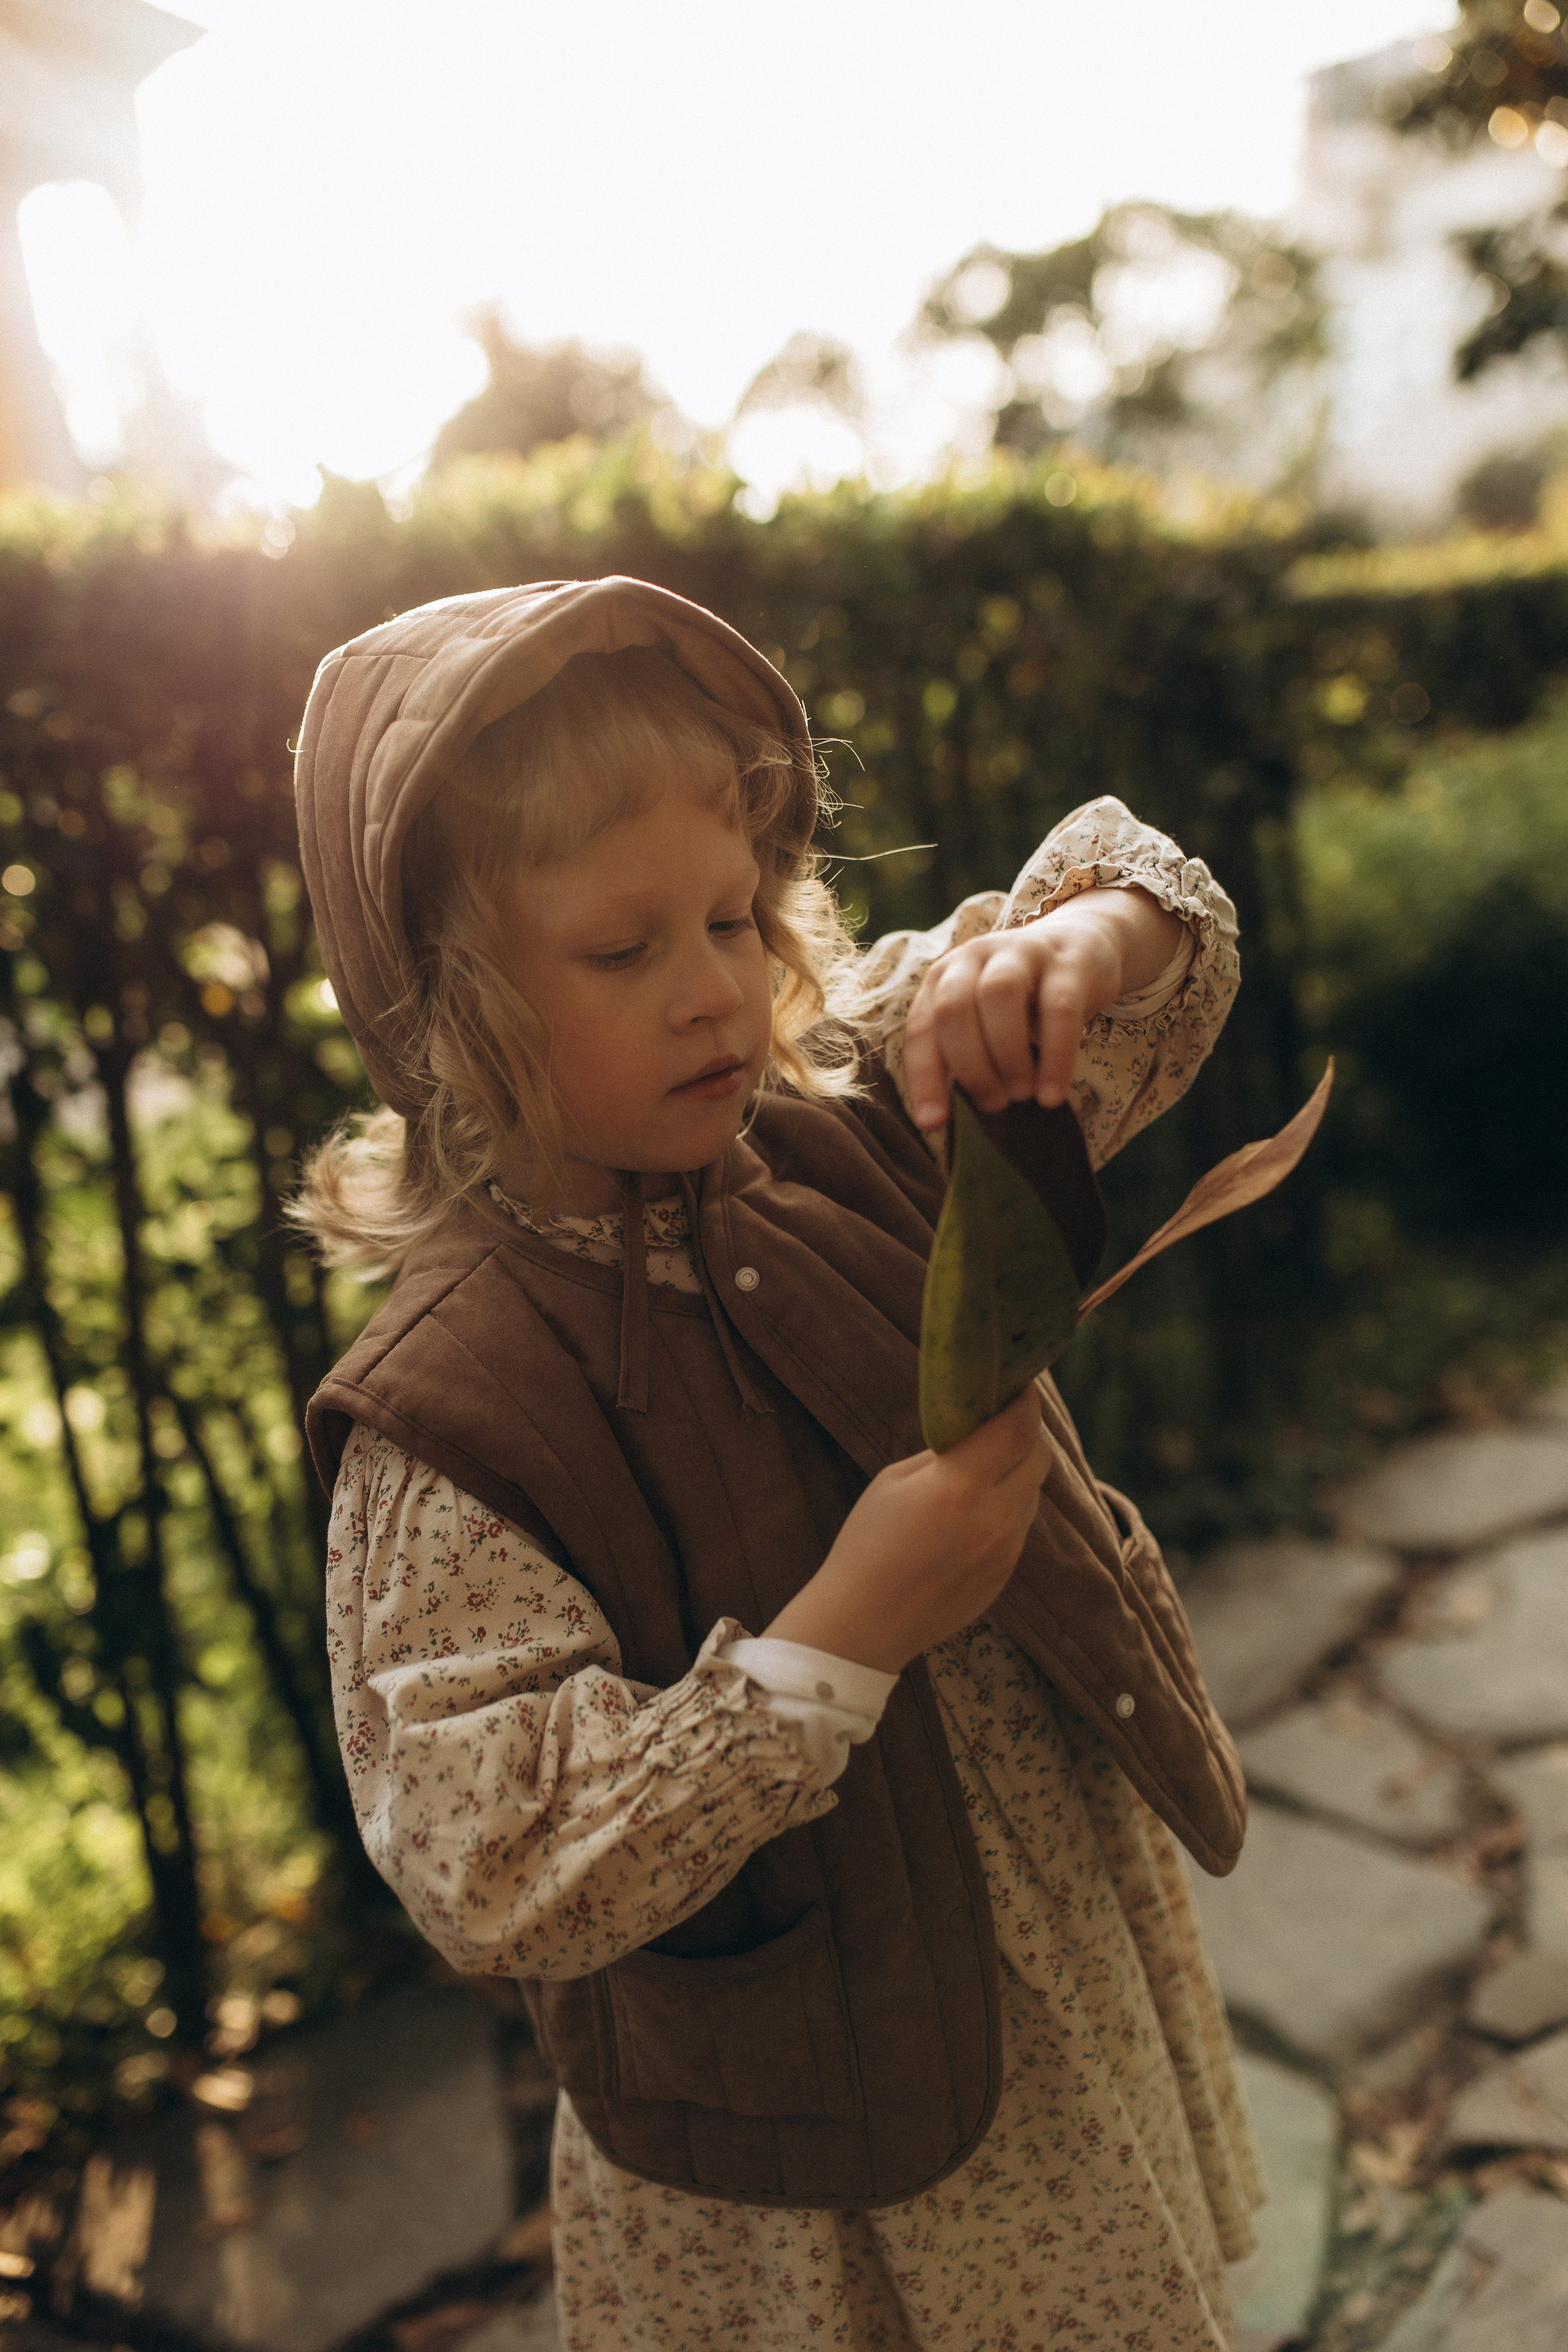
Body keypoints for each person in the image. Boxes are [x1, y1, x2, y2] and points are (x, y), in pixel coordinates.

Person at [293, 575, 1264, 2352]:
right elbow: (483, 1847)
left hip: (1037, 1958)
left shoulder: (849, 1111)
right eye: (623, 949)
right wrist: (840, 1637)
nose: (714, 992)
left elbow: (1151, 930)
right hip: (804, 2137)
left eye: (738, 917)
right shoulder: (461, 1406)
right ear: (449, 1000)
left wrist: (1063, 962)